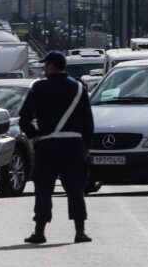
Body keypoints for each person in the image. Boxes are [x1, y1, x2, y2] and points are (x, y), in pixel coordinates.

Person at [19, 50, 94, 244]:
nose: (44, 68)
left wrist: (34, 136)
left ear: (51, 66)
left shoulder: (39, 88)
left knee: (44, 189)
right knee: (75, 188)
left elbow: (24, 117)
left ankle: (39, 231)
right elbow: (88, 121)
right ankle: (80, 231)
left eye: (46, 65)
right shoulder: (79, 88)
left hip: (48, 144)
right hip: (74, 145)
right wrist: (87, 145)